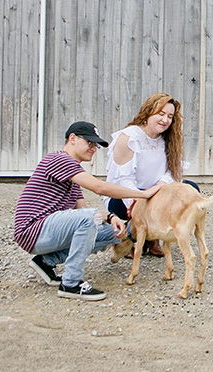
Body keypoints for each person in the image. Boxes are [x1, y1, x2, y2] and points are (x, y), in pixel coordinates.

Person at [14, 121, 161, 300]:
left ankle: (45, 262)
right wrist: (143, 194)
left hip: (47, 231)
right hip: (32, 231)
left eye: (96, 145)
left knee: (112, 232)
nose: (93, 148)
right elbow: (99, 188)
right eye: (89, 143)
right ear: (73, 138)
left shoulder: (72, 173)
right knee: (89, 219)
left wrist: (112, 217)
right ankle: (71, 284)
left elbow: (81, 209)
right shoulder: (60, 159)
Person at [104, 93, 197, 257]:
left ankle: (154, 236)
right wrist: (139, 199)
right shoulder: (129, 137)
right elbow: (123, 179)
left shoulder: (168, 139)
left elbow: (173, 172)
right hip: (126, 197)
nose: (165, 120)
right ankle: (132, 236)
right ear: (148, 113)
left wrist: (158, 187)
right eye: (160, 114)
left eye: (170, 116)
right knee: (136, 198)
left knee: (190, 188)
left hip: (155, 193)